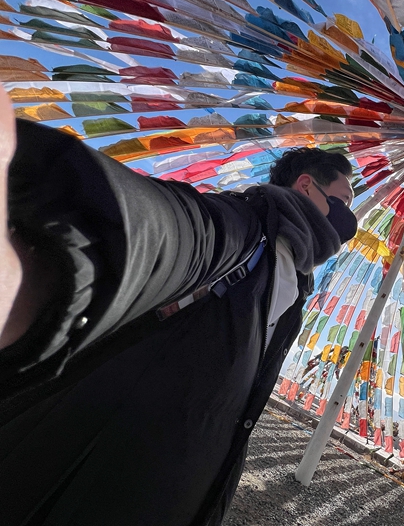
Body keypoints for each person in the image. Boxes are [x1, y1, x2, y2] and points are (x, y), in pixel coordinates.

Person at [0, 87, 358, 525]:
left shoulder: (296, 292)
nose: (347, 222)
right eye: (342, 203)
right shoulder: (246, 227)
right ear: (306, 186)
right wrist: (50, 254)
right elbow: (173, 232)